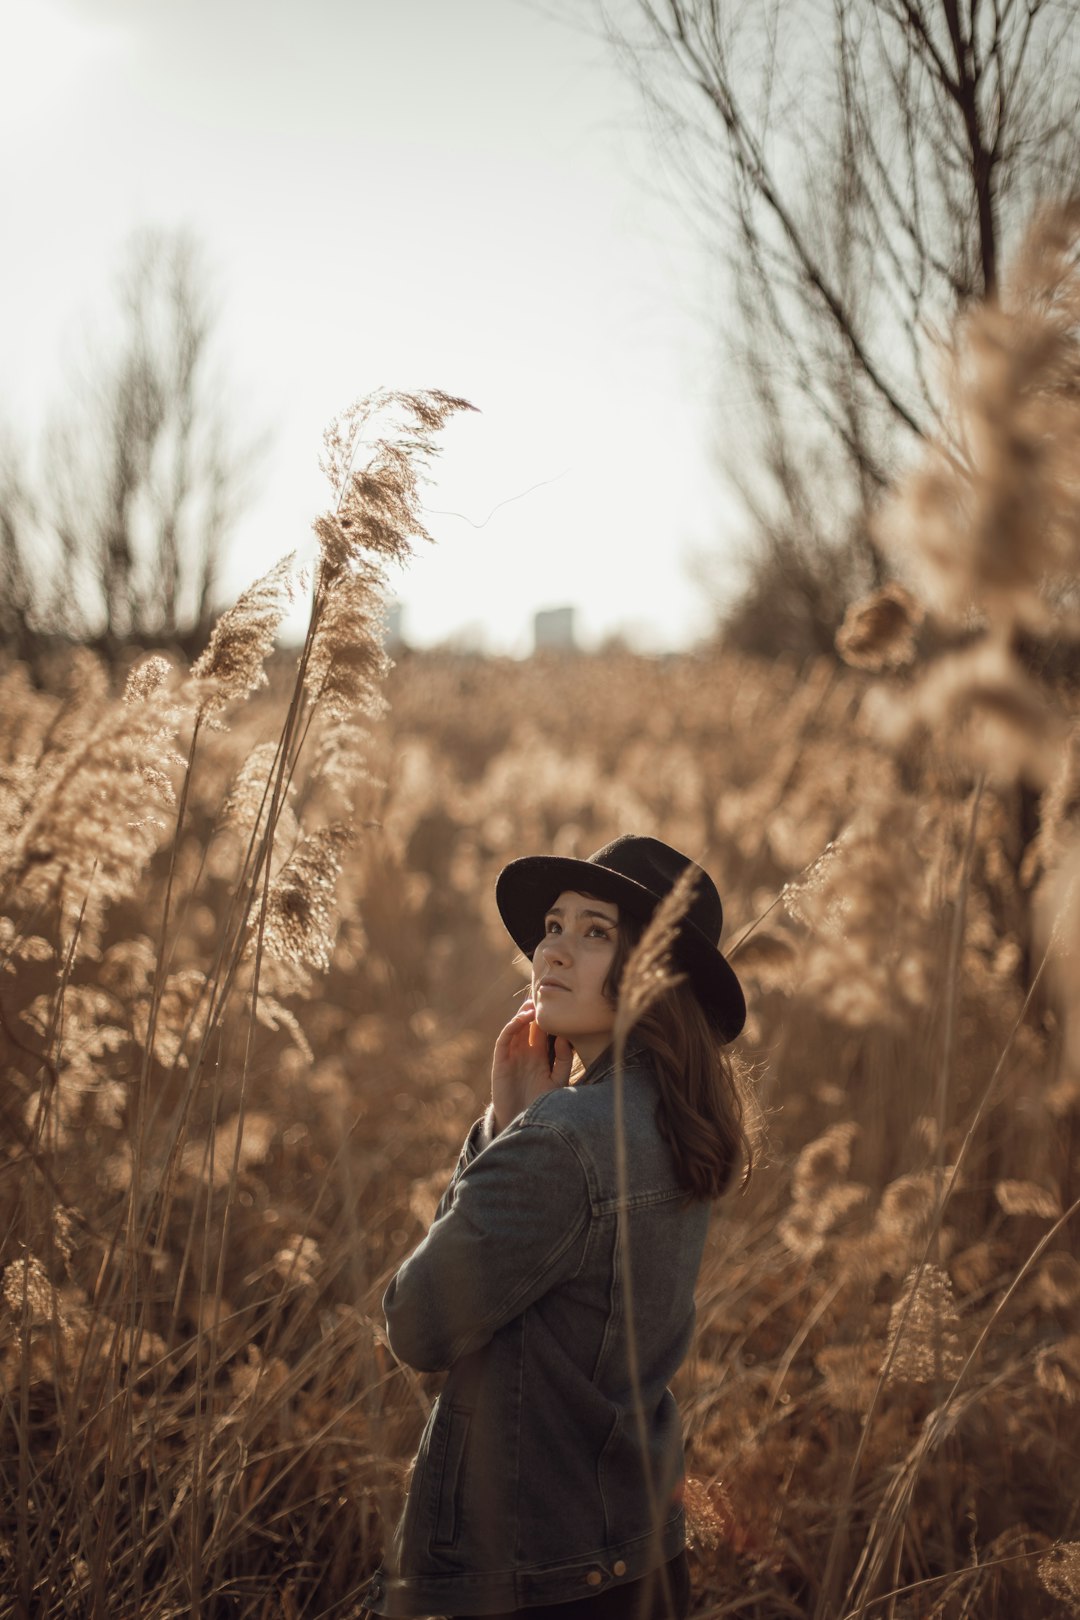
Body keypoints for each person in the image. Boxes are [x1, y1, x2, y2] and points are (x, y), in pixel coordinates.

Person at [361, 835, 753, 1620]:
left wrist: (504, 1130)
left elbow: (416, 1324)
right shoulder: (676, 1123)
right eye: (553, 925)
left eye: (596, 932)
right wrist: (520, 1124)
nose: (554, 951)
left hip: (534, 1578)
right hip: (639, 1553)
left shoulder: (564, 1140)